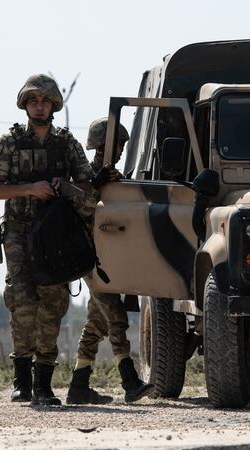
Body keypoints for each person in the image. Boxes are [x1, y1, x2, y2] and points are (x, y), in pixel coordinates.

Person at [0, 74, 104, 406]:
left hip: (56, 233)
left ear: (53, 106)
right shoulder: (9, 143)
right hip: (20, 230)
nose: (39, 106)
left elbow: (88, 186)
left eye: (45, 101)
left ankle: (44, 382)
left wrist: (65, 187)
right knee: (22, 301)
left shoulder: (66, 143)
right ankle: (22, 379)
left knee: (53, 302)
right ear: (25, 105)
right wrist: (30, 188)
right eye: (34, 101)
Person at [65, 117, 154, 405]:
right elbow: (83, 210)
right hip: (93, 260)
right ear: (100, 145)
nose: (119, 150)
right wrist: (97, 184)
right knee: (116, 317)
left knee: (96, 323)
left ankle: (78, 387)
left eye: (121, 145)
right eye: (115, 144)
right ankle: (129, 381)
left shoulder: (112, 175)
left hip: (109, 260)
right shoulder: (84, 176)